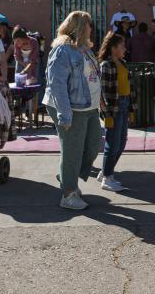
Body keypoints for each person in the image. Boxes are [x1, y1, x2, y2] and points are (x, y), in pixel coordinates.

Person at [42, 11, 102, 211]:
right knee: (73, 151)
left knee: (93, 146)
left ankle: (67, 175)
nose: (91, 28)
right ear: (80, 27)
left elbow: (93, 77)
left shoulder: (85, 49)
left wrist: (100, 101)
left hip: (89, 107)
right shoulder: (63, 50)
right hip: (72, 108)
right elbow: (56, 84)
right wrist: (65, 114)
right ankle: (68, 194)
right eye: (89, 25)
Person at [97, 32, 132, 192]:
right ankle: (107, 178)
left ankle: (105, 172)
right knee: (113, 144)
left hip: (124, 104)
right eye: (122, 46)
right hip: (113, 107)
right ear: (113, 48)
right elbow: (102, 91)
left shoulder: (123, 63)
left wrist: (131, 108)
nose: (125, 48)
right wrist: (106, 112)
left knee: (122, 142)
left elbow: (128, 87)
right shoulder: (106, 65)